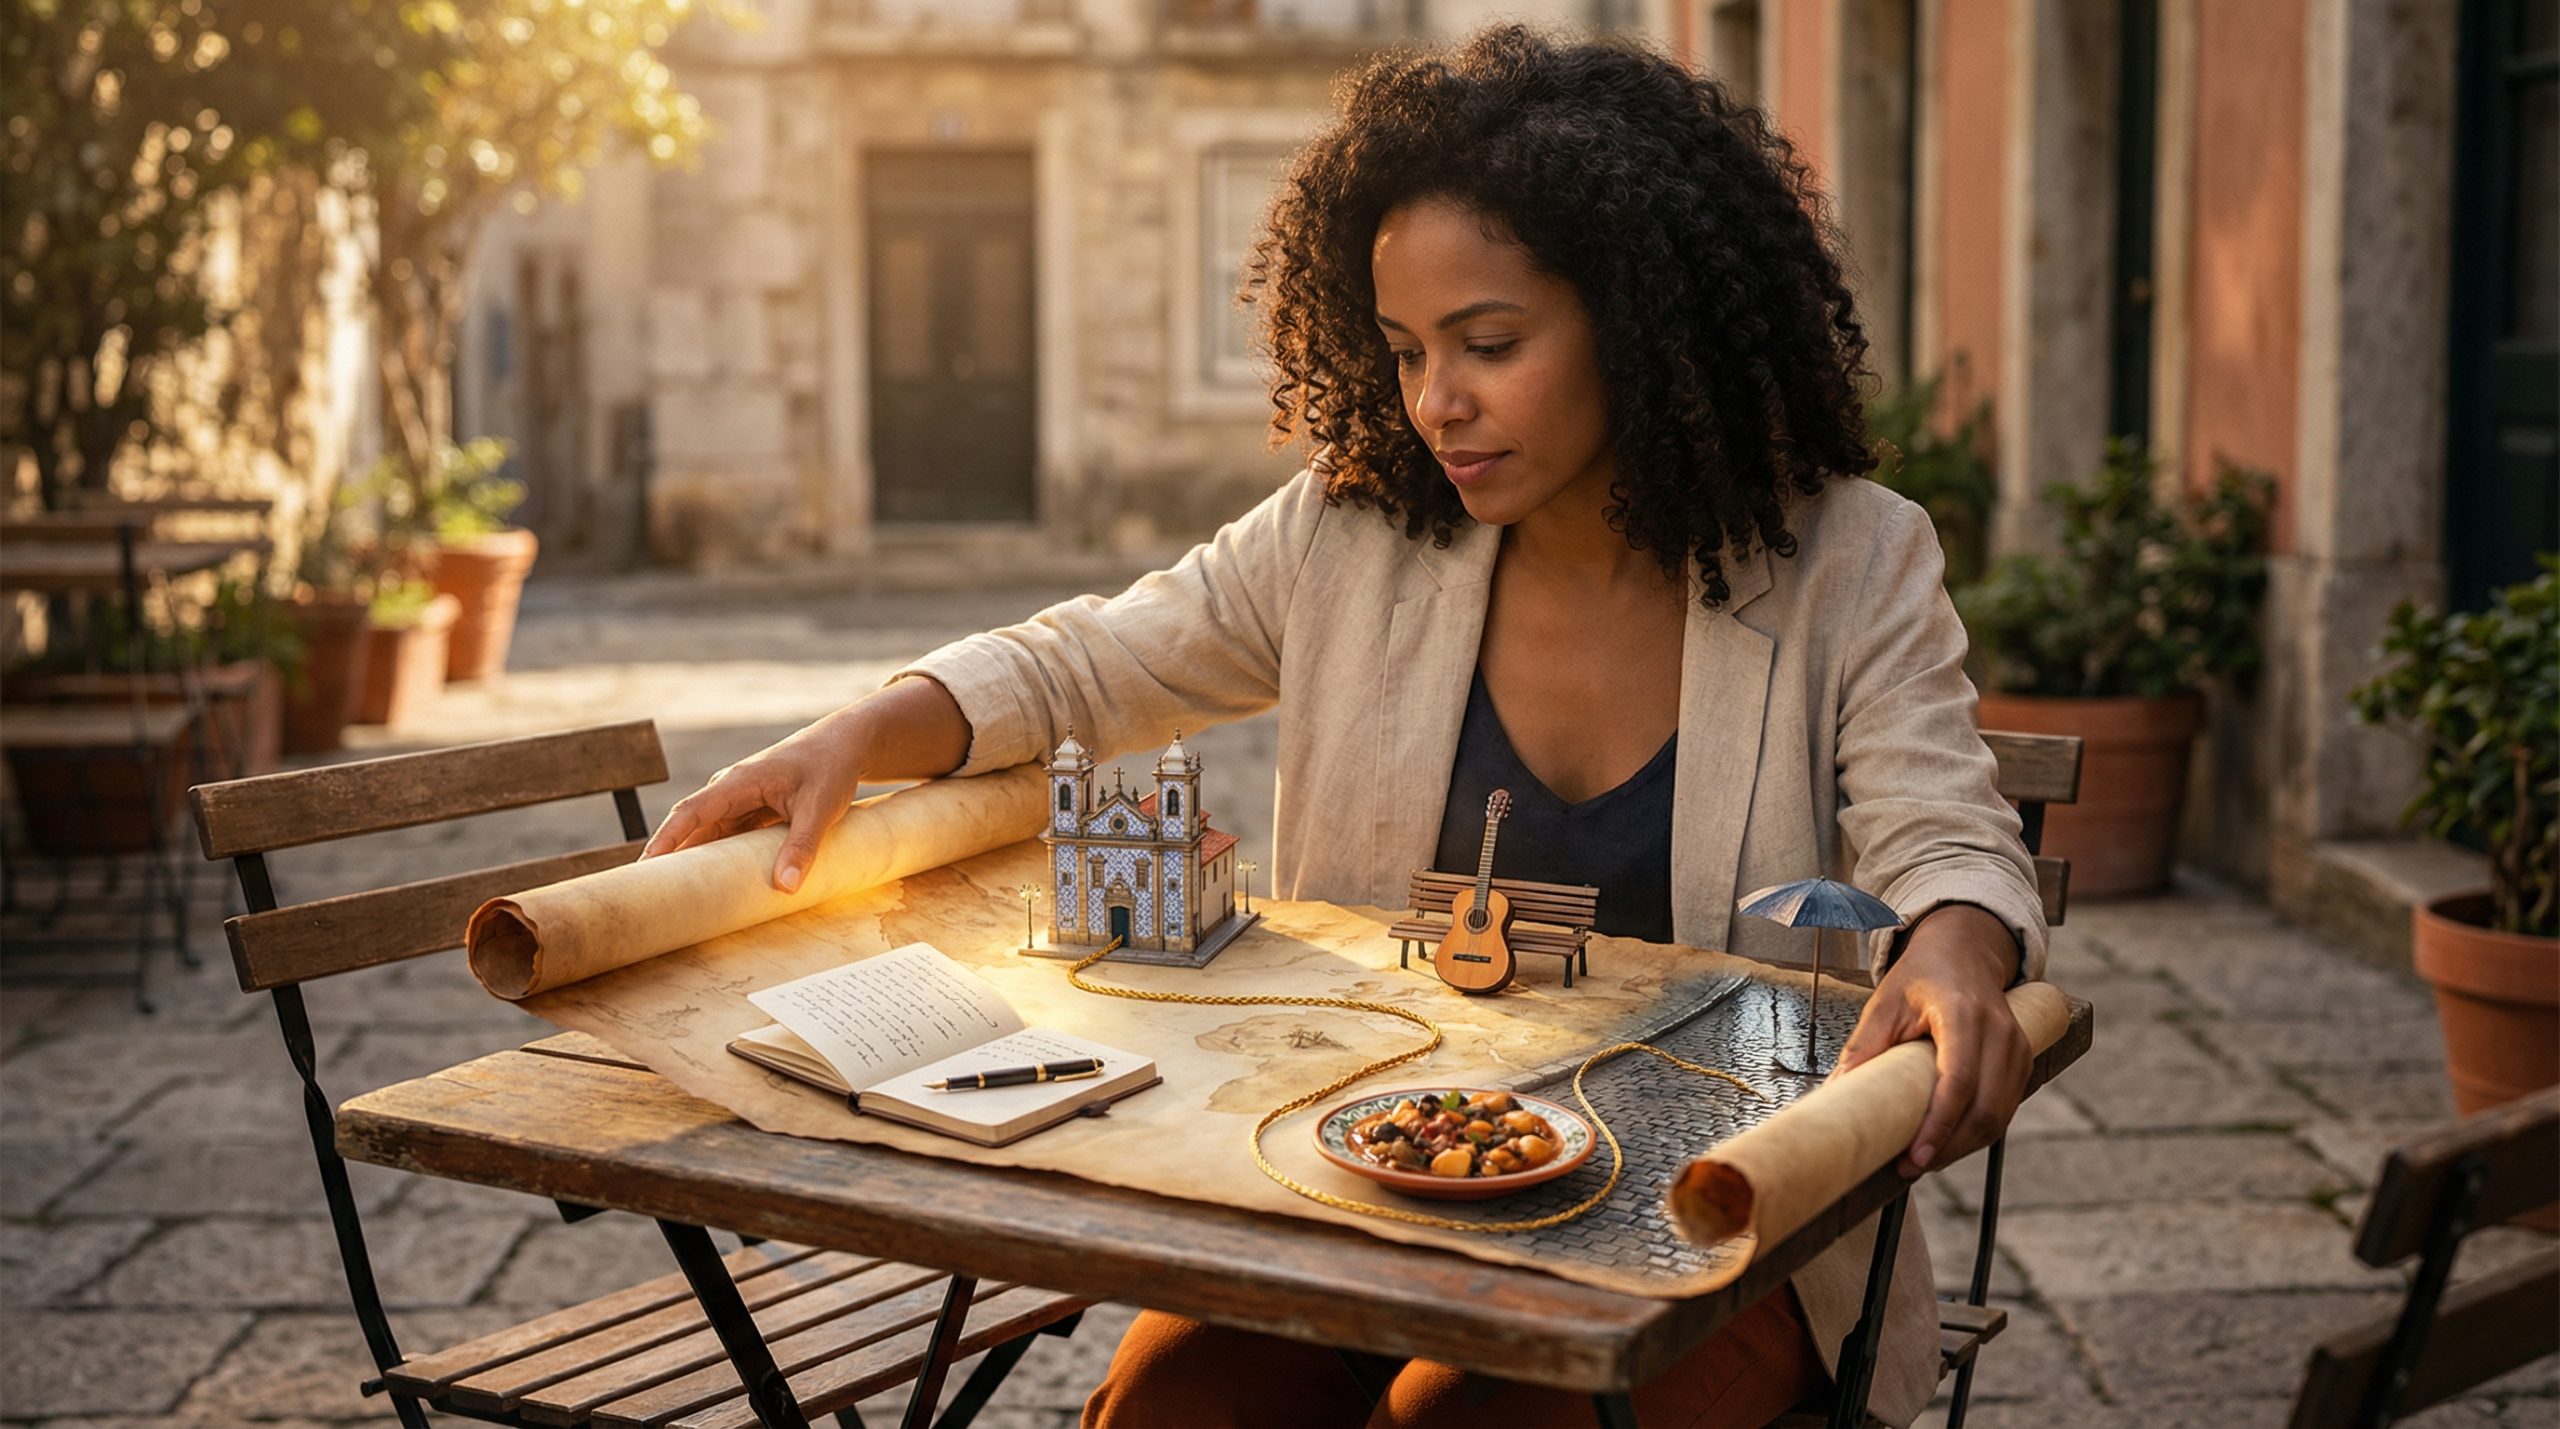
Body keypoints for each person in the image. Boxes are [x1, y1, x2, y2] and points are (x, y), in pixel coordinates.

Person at [643, 26, 2045, 1429]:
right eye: (1404, 349)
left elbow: (1945, 828)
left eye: (1490, 344)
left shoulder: (1849, 559)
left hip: (1709, 1231)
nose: (1437, 400)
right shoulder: (1356, 534)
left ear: (1639, 317)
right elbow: (1088, 667)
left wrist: (1956, 942)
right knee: (1170, 1411)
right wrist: (858, 733)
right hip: (1370, 1189)